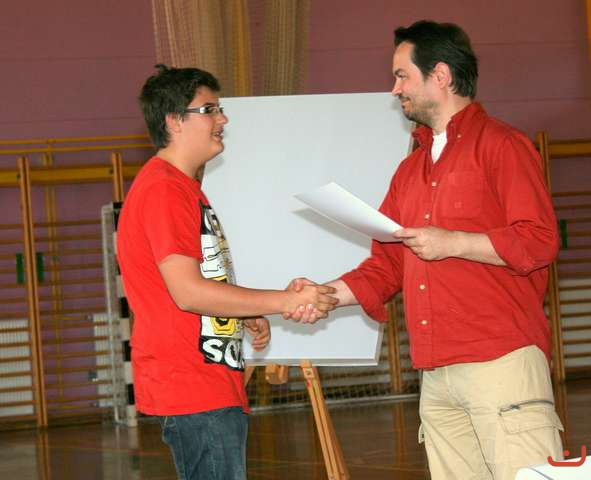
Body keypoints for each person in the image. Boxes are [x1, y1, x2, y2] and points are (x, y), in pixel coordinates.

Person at [286, 20, 564, 480]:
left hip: (502, 362)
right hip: (436, 374)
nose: (394, 89)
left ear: (441, 75)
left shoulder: (503, 146)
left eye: (401, 76)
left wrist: (454, 242)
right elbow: (386, 266)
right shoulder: (409, 170)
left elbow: (539, 239)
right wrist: (324, 294)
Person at [116, 64, 338, 480]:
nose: (223, 119)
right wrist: (284, 301)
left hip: (206, 382)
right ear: (174, 121)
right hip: (191, 384)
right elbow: (188, 292)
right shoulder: (165, 189)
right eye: (210, 110)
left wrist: (244, 310)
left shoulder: (183, 188)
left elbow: (197, 284)